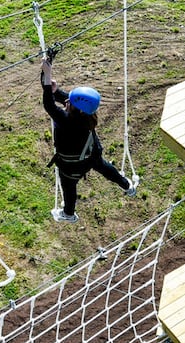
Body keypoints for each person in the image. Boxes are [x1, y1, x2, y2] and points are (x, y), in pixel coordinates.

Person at [41, 53, 135, 222]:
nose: (66, 100)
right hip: (91, 155)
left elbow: (49, 105)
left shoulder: (67, 120)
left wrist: (47, 76)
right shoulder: (86, 116)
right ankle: (127, 186)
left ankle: (69, 214)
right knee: (106, 169)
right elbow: (67, 101)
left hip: (72, 164)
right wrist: (54, 91)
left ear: (75, 107)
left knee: (69, 186)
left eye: (69, 101)